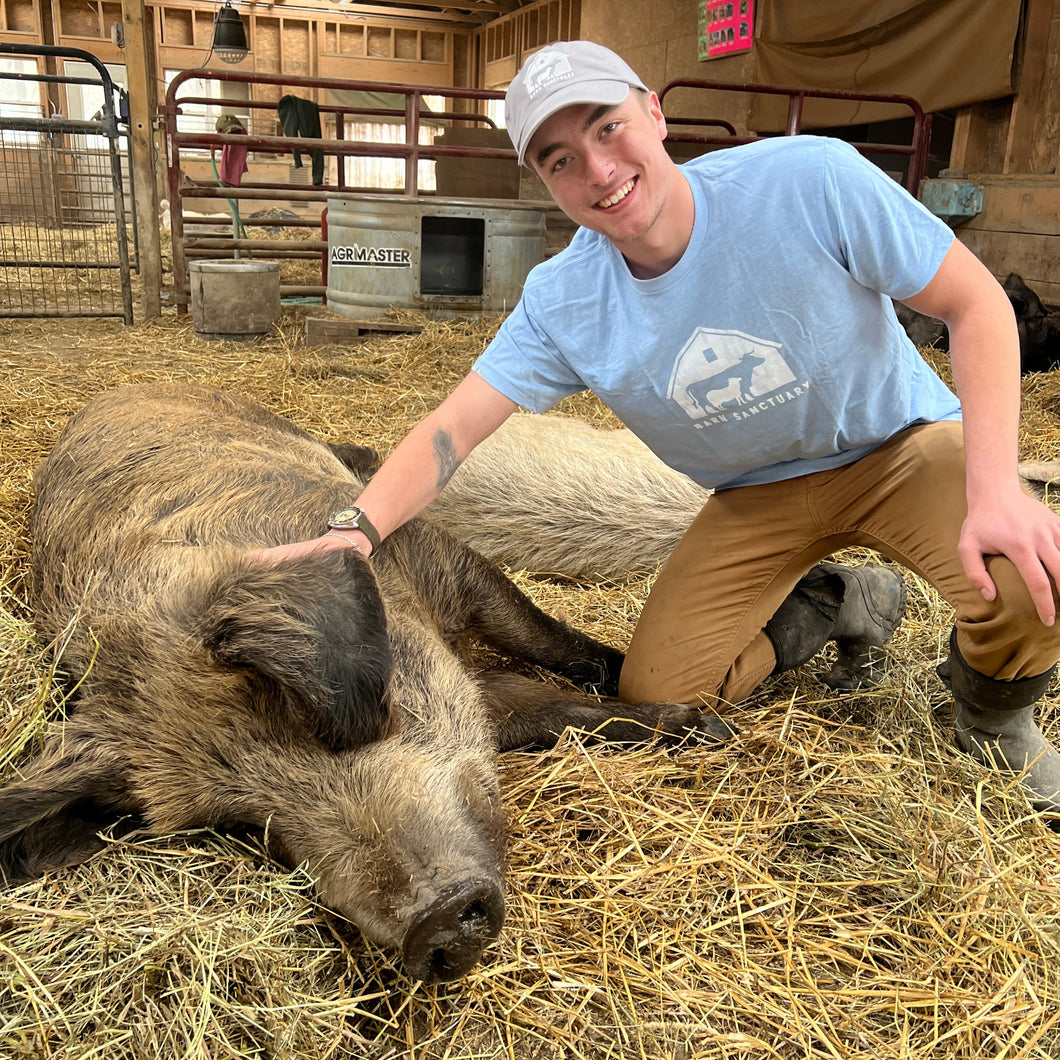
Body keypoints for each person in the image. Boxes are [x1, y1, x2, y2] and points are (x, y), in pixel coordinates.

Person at [259, 40, 1060, 814]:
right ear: (543, 180)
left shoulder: (807, 180)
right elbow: (454, 429)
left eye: (609, 127)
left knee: (1031, 573)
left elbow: (976, 303)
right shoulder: (566, 298)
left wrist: (995, 487)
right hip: (757, 495)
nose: (599, 170)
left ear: (654, 112)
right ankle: (832, 604)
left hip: (898, 444)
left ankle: (993, 712)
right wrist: (353, 532)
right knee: (660, 696)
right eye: (559, 158)